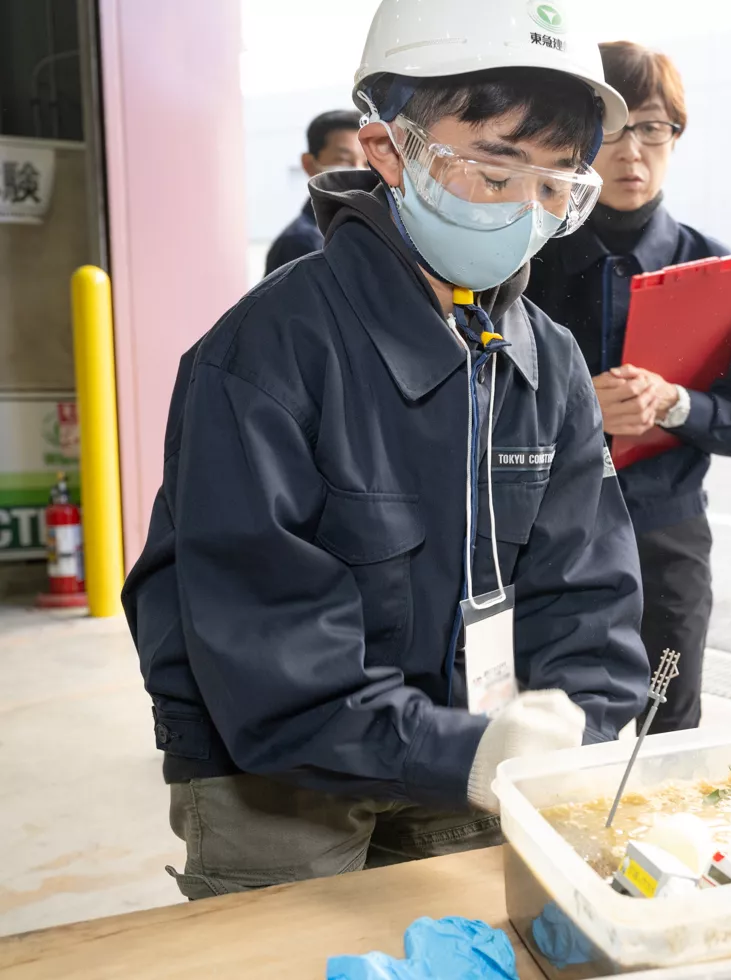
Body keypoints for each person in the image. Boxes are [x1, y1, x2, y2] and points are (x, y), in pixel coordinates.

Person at [121, 0, 650, 899]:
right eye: (494, 170)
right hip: (277, 779)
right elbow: (267, 658)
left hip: (472, 751)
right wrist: (468, 749)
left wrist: (583, 738)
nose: (526, 210)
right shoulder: (266, 354)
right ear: (388, 150)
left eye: (556, 183)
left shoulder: (545, 359)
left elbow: (589, 594)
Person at [527, 41, 731, 733]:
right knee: (550, 725)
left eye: (654, 127)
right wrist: (577, 410)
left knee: (669, 725)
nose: (633, 150)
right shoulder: (526, 257)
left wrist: (674, 401)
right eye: (612, 127)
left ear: (675, 136)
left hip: (668, 535)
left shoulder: (715, 268)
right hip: (548, 532)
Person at [264, 109, 366, 275]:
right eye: (343, 160)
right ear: (309, 164)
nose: (358, 170)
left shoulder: (365, 232)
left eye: (368, 163)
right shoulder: (299, 244)